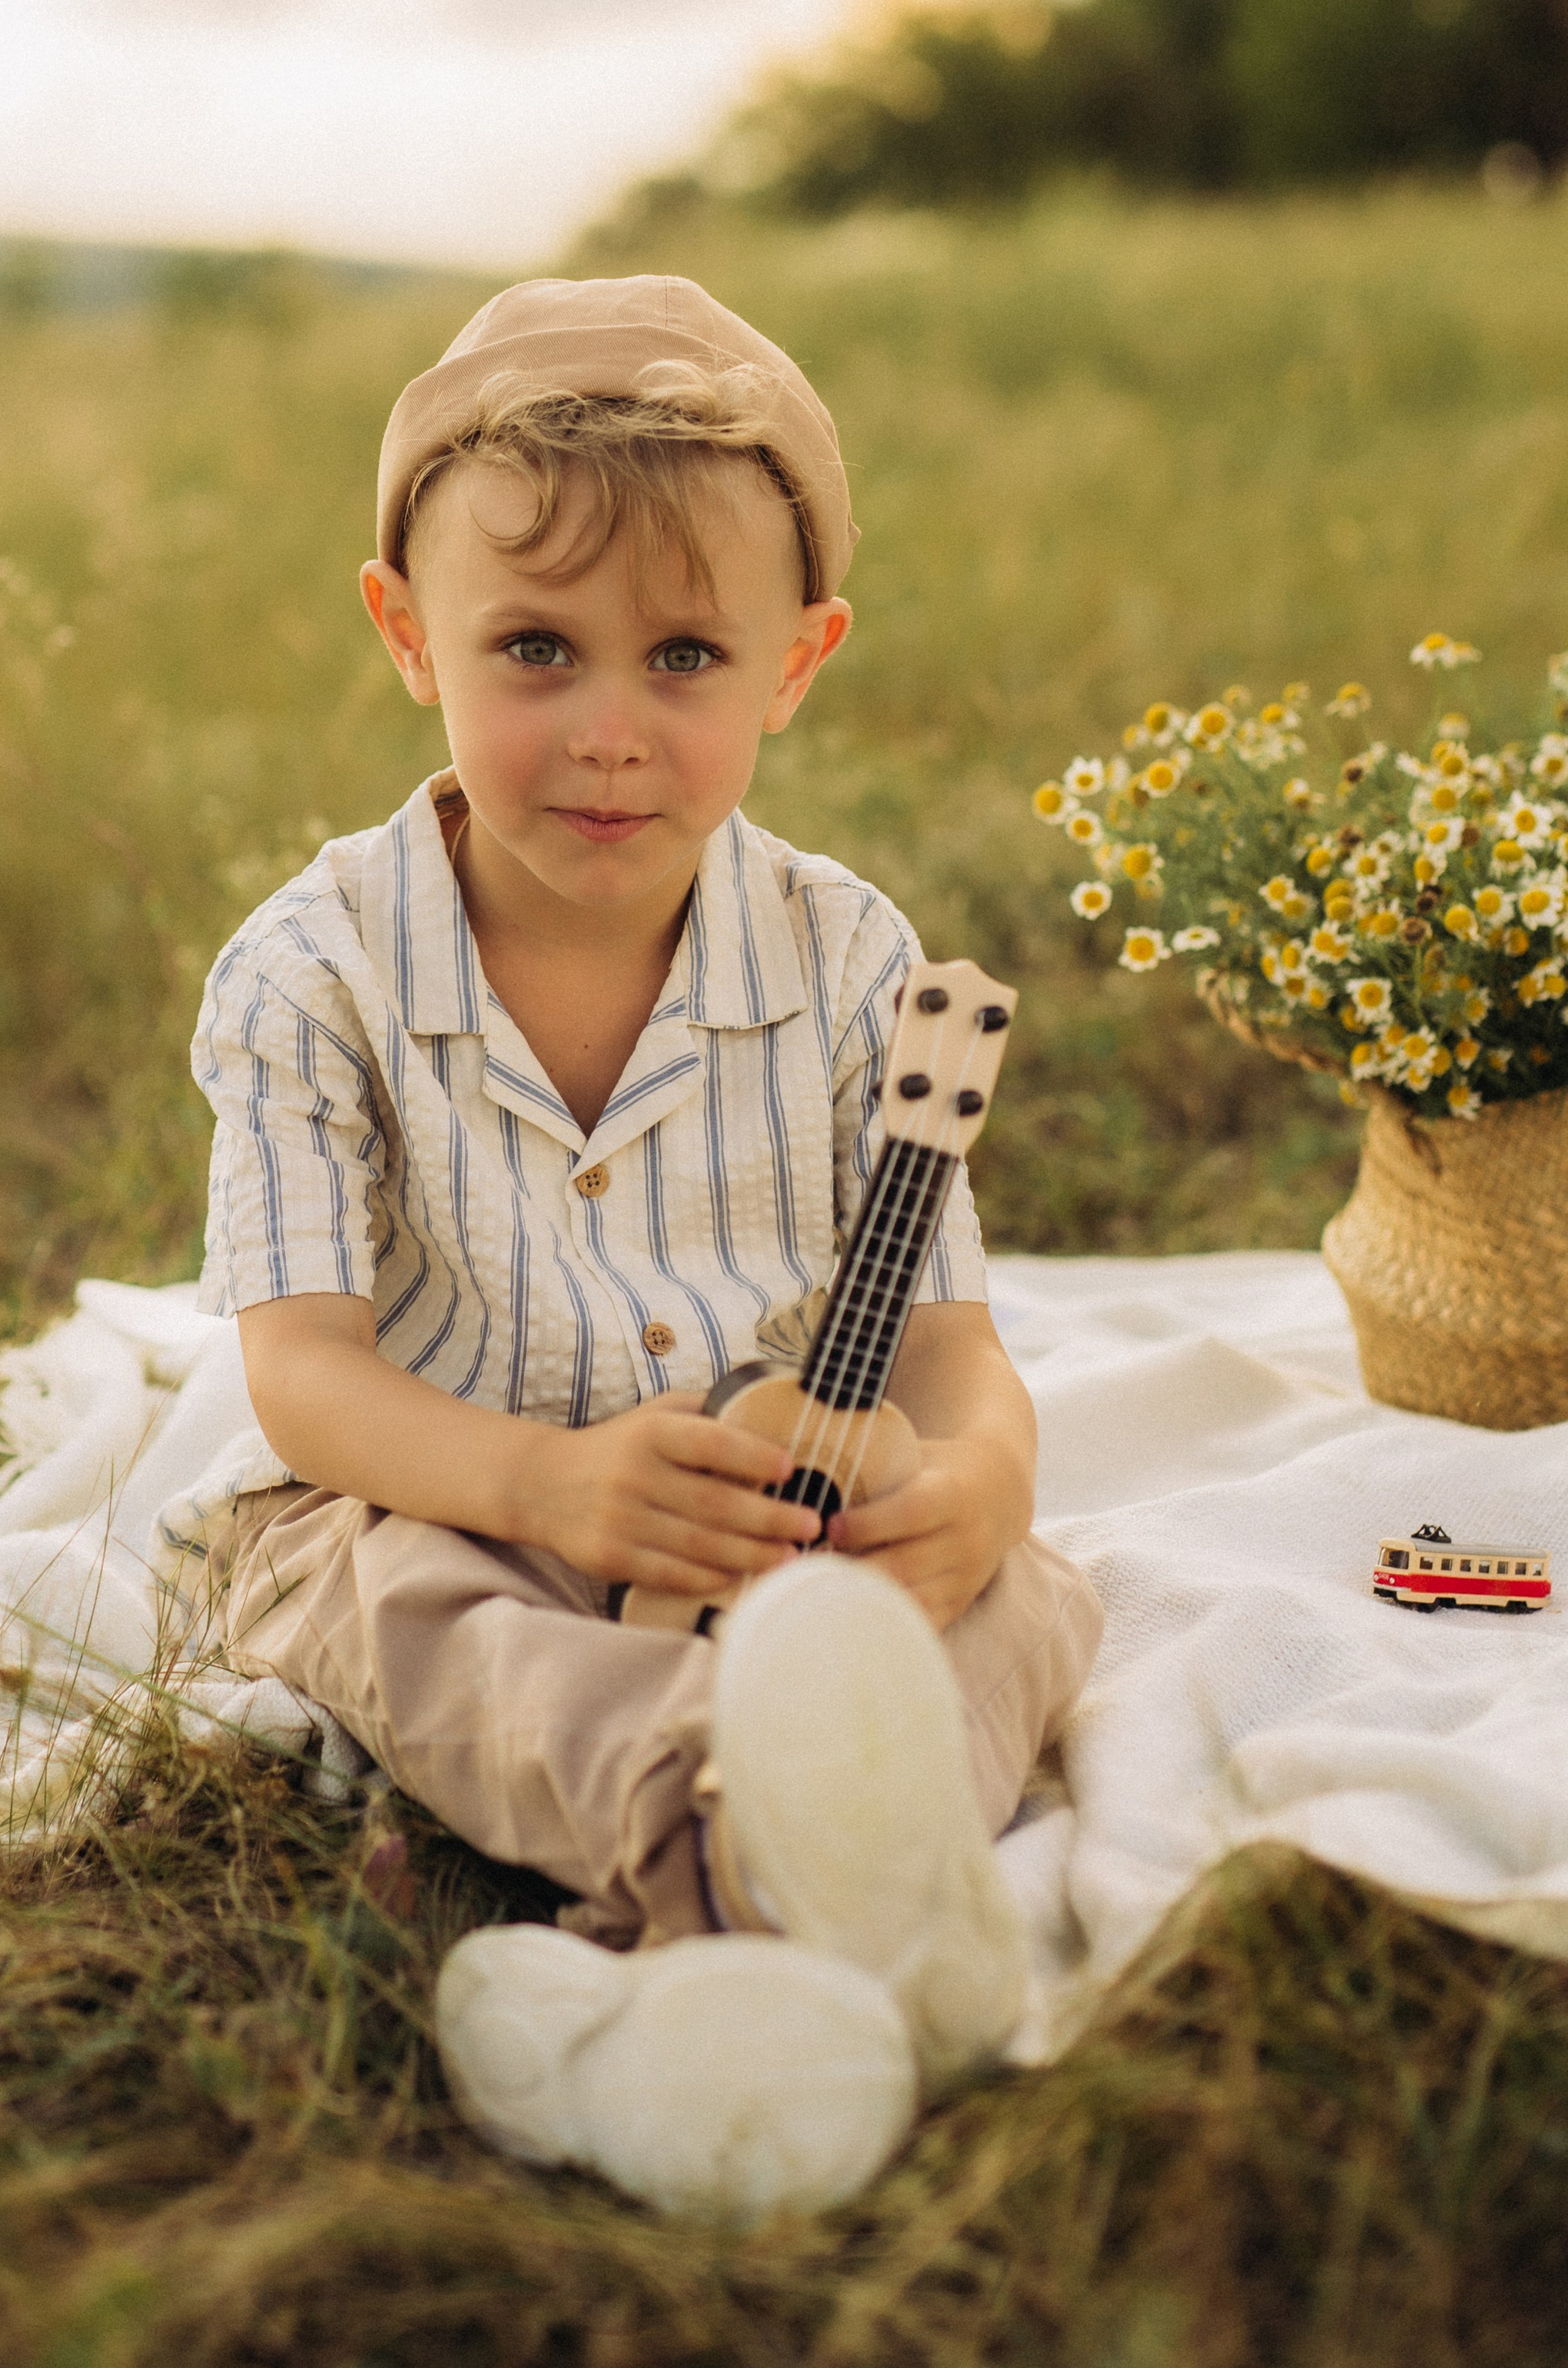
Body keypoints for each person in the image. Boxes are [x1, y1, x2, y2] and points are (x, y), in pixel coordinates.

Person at [191, 274, 1101, 2213]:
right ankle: (789, 1900)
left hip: (757, 1507)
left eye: (683, 654)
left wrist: (971, 1484)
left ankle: (707, 1979)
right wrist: (534, 1478)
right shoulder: (315, 970)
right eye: (534, 649)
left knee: (1027, 1597)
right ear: (402, 637)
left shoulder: (852, 963)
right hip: (434, 1478)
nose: (608, 732)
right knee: (428, 1625)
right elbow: (302, 1370)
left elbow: (940, 1345)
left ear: (795, 661)